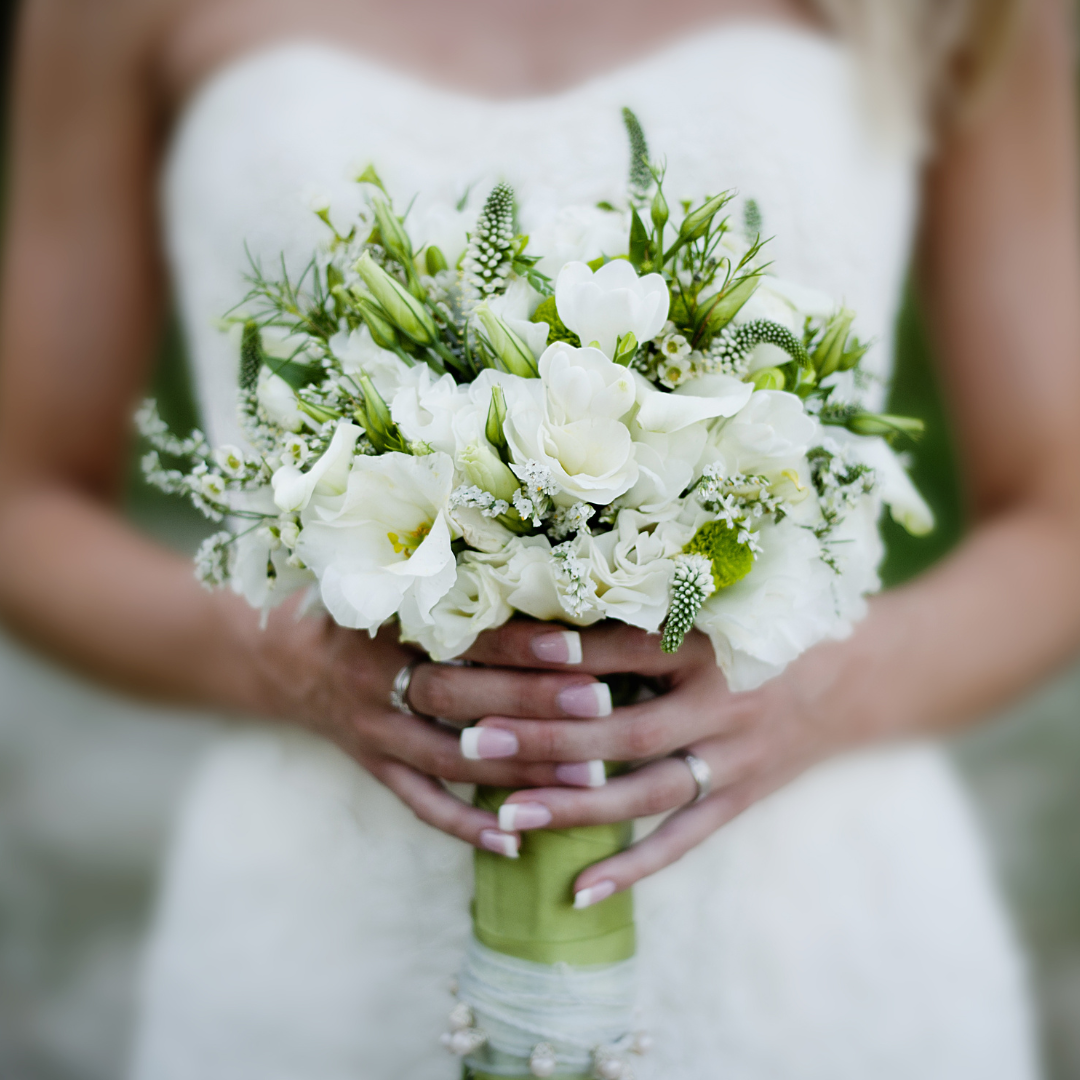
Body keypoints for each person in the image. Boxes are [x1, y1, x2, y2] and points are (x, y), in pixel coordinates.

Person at [0, 0, 1077, 1076]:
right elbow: (23, 501)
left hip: (817, 948)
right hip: (319, 940)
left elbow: (1060, 513)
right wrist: (278, 657)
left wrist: (825, 686)